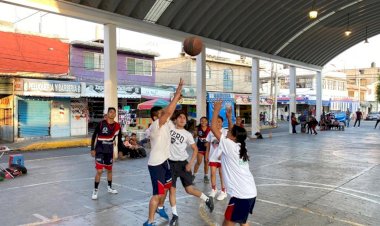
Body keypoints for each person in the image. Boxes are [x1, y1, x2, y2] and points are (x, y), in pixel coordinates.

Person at [144, 79, 183, 226]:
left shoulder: (166, 123)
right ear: (155, 117)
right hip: (156, 164)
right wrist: (177, 93)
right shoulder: (155, 125)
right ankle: (150, 221)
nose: (165, 114)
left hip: (165, 161)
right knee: (158, 193)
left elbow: (170, 111)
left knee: (167, 187)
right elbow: (168, 111)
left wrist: (177, 97)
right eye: (161, 113)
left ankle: (160, 207)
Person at [211, 100, 257, 226]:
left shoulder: (230, 146)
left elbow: (214, 128)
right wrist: (229, 117)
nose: (227, 133)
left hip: (241, 195)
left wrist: (216, 110)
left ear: (233, 137)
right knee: (243, 222)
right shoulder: (241, 146)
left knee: (228, 223)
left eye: (229, 133)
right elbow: (233, 130)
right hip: (250, 193)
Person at [168, 111, 214, 226]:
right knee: (172, 190)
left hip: (183, 164)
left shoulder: (187, 134)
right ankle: (174, 214)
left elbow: (195, 149)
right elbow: (168, 114)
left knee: (189, 189)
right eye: (180, 117)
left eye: (184, 118)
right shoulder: (170, 128)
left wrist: (191, 163)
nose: (182, 119)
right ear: (175, 119)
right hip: (170, 164)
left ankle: (207, 199)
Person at [90, 107, 121, 200]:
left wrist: (119, 151)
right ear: (107, 114)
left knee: (109, 170)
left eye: (114, 112)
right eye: (110, 112)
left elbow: (119, 139)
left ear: (115, 115)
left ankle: (109, 187)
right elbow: (94, 135)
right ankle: (95, 190)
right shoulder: (101, 124)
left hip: (109, 151)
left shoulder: (117, 126)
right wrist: (92, 148)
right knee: (99, 171)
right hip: (100, 150)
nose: (112, 114)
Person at [206, 115, 228, 201]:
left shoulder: (225, 132)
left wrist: (222, 153)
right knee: (212, 174)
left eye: (219, 121)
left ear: (222, 123)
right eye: (216, 121)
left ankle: (223, 191)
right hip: (212, 157)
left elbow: (227, 144)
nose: (217, 123)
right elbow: (208, 144)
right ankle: (214, 189)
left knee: (221, 174)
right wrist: (207, 154)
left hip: (222, 157)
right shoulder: (211, 132)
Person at [193, 116, 211, 183]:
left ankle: (206, 176)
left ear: (207, 122)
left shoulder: (210, 129)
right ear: (200, 122)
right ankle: (194, 175)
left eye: (205, 121)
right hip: (200, 147)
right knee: (198, 162)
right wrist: (194, 134)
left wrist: (209, 143)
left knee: (206, 162)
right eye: (202, 121)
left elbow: (212, 138)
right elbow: (194, 137)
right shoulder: (197, 128)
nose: (203, 122)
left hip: (207, 148)